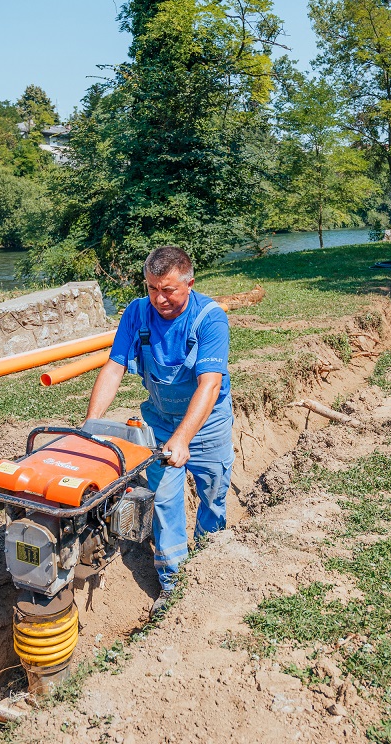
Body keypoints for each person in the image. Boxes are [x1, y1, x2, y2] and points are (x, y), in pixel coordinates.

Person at [84, 246, 234, 618]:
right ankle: (174, 583)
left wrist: (184, 438)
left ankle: (211, 561)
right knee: (165, 499)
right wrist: (90, 425)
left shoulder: (209, 318)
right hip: (160, 421)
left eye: (168, 290)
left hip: (207, 424)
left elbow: (209, 385)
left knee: (212, 496)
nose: (159, 298)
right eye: (152, 288)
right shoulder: (137, 312)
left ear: (189, 283)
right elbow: (115, 367)